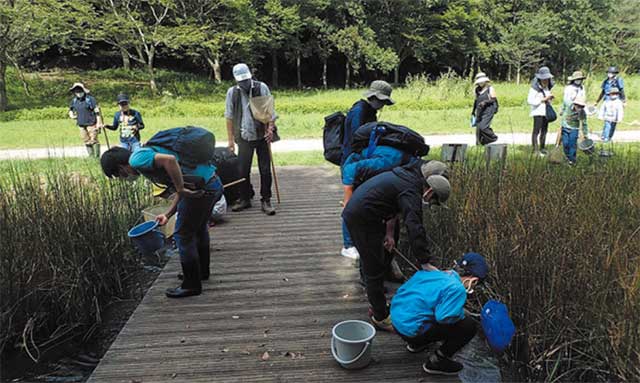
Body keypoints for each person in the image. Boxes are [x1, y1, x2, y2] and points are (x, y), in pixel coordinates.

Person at [100, 128, 223, 299]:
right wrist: (168, 213)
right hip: (212, 184)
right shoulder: (144, 155)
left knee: (182, 235)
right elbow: (181, 187)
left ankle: (191, 285)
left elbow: (170, 161)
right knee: (199, 229)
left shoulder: (136, 159)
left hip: (203, 190)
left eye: (119, 175)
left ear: (120, 167)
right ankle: (200, 273)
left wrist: (179, 188)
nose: (123, 178)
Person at [342, 160, 451, 332]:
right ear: (430, 190)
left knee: (377, 259)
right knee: (374, 267)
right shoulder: (411, 191)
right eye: (434, 201)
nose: (431, 204)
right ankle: (380, 316)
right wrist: (424, 262)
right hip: (361, 218)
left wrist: (389, 233)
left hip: (369, 215)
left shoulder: (407, 177)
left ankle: (378, 303)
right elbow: (414, 226)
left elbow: (391, 207)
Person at [390, 253, 489, 376]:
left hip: (396, 321)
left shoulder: (436, 274)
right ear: (474, 279)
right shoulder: (457, 288)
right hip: (411, 330)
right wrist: (462, 316)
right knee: (469, 326)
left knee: (426, 308)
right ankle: (437, 361)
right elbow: (444, 318)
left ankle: (416, 344)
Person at [340, 81, 395, 259]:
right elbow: (358, 138)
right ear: (375, 97)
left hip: (362, 162)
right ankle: (348, 245)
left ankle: (357, 240)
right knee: (351, 203)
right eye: (383, 102)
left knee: (359, 202)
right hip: (353, 162)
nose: (383, 106)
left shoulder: (368, 110)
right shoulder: (359, 111)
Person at [225, 63, 278, 215]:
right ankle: (244, 198)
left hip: (262, 135)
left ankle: (266, 199)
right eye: (241, 81)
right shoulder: (232, 93)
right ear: (236, 80)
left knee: (265, 170)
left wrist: (270, 129)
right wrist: (230, 141)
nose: (244, 83)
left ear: (250, 76)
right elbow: (228, 117)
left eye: (246, 80)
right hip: (243, 136)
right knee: (242, 170)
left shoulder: (261, 88)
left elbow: (270, 113)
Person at [68, 82, 103, 157]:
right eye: (76, 91)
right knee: (86, 140)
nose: (78, 93)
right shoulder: (74, 101)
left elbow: (97, 112)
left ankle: (97, 157)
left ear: (83, 90)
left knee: (93, 140)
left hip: (92, 123)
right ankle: (91, 156)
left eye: (80, 91)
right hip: (81, 124)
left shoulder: (90, 99)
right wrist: (71, 115)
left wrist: (98, 123)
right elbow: (71, 109)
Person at [527, 66, 555, 156]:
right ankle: (535, 150)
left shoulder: (547, 88)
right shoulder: (534, 89)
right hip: (537, 112)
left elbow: (547, 100)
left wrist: (550, 98)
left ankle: (542, 148)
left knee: (544, 131)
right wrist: (543, 99)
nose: (546, 81)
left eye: (547, 79)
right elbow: (530, 101)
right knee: (536, 131)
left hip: (545, 112)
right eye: (544, 79)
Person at [471, 73, 498, 146]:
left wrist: (485, 102)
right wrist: (473, 111)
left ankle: (493, 138)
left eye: (482, 82)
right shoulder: (477, 90)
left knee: (483, 127)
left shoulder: (490, 89)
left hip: (489, 110)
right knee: (478, 128)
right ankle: (479, 144)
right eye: (479, 82)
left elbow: (493, 100)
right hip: (480, 110)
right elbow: (476, 100)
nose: (481, 83)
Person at [560, 95, 589, 165]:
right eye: (578, 106)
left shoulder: (582, 113)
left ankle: (572, 160)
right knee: (565, 143)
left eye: (582, 107)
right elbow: (564, 101)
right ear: (574, 104)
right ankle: (567, 157)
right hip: (565, 127)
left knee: (572, 144)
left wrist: (585, 134)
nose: (579, 108)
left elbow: (584, 123)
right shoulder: (568, 104)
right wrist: (562, 110)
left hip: (574, 129)